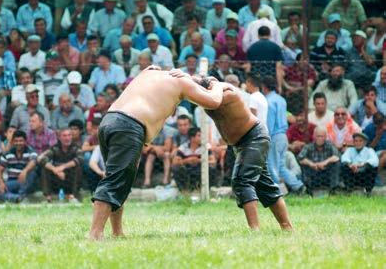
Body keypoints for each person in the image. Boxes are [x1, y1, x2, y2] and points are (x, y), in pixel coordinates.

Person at [89, 65, 226, 240]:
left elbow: (146, 72)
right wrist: (218, 85)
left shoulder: (151, 72)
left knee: (117, 179)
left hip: (109, 121)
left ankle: (117, 232)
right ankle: (95, 233)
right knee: (115, 180)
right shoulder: (183, 81)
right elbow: (214, 101)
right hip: (129, 125)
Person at [172, 70, 293, 231]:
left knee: (242, 180)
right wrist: (181, 76)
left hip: (254, 137)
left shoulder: (226, 91)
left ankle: (255, 230)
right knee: (264, 184)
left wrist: (199, 83)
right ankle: (287, 227)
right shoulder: (209, 93)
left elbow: (212, 99)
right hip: (241, 143)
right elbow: (196, 85)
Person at [262, 76, 305, 193]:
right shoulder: (281, 99)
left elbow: (270, 123)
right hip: (283, 135)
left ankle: (275, 192)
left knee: (272, 165)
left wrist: (266, 137)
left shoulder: (269, 101)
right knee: (280, 166)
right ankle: (298, 186)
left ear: (264, 87)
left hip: (274, 135)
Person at [0, 130, 38, 202]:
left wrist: (25, 171)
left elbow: (34, 161)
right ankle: (17, 198)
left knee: (32, 173)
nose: (18, 143)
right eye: (16, 141)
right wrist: (1, 183)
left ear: (25, 141)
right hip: (12, 183)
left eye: (21, 141)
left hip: (26, 183)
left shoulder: (30, 151)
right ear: (13, 142)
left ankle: (17, 195)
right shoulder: (8, 154)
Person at [38, 128, 83, 203]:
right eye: (64, 136)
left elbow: (80, 159)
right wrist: (54, 169)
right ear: (59, 137)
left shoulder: (76, 148)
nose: (67, 138)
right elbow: (42, 159)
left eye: (69, 135)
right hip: (57, 178)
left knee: (78, 167)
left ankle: (73, 196)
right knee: (45, 168)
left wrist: (62, 167)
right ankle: (48, 198)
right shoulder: (55, 148)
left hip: (70, 178)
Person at [171, 127, 217, 191]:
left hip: (201, 169)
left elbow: (213, 161)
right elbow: (174, 162)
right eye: (199, 135)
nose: (202, 137)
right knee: (176, 170)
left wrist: (199, 160)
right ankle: (184, 191)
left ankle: (206, 190)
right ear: (192, 138)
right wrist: (187, 161)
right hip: (187, 170)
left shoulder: (205, 146)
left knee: (211, 170)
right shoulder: (183, 147)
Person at [298, 127, 340, 195]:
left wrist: (325, 163)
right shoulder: (309, 146)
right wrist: (311, 164)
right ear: (314, 136)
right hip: (313, 172)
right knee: (304, 165)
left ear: (326, 137)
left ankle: (333, 190)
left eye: (322, 136)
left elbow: (337, 156)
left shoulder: (330, 145)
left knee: (336, 163)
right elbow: (300, 158)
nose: (320, 138)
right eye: (318, 136)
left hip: (327, 172)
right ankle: (307, 190)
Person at [246, 26, 284, 92]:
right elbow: (278, 67)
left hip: (257, 80)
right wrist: (279, 86)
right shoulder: (276, 47)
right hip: (271, 80)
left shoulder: (252, 47)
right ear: (269, 35)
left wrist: (248, 83)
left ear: (258, 35)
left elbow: (248, 67)